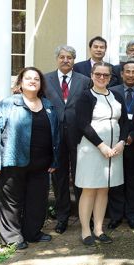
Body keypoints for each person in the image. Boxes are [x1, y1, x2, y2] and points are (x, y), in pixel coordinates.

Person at [0, 67, 59, 250]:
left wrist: (54, 159)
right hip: (13, 162)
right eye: (28, 78)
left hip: (41, 164)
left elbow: (55, 135)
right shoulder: (8, 104)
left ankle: (32, 233)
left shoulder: (48, 105)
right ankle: (12, 238)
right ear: (20, 82)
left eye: (36, 78)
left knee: (37, 201)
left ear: (41, 84)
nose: (33, 81)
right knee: (12, 202)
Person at [74, 62, 129, 245]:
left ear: (111, 77)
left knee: (104, 189)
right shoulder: (85, 96)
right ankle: (85, 231)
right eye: (98, 74)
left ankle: (98, 229)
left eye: (106, 75)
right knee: (89, 189)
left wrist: (122, 141)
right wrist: (101, 145)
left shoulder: (117, 96)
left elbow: (126, 122)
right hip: (92, 148)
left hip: (114, 149)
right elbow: (82, 124)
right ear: (92, 75)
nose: (102, 78)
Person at [43, 45, 91, 235]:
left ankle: (83, 216)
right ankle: (62, 217)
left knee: (81, 176)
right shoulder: (46, 80)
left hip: (78, 135)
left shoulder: (85, 81)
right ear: (57, 59)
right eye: (62, 57)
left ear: (74, 60)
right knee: (59, 177)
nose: (65, 60)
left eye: (69, 57)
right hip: (54, 135)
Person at [106, 60, 134, 230]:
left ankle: (132, 215)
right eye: (127, 71)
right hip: (116, 143)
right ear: (121, 74)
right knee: (116, 181)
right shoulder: (111, 92)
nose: (130, 74)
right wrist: (123, 137)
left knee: (133, 182)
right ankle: (115, 216)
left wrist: (133, 136)